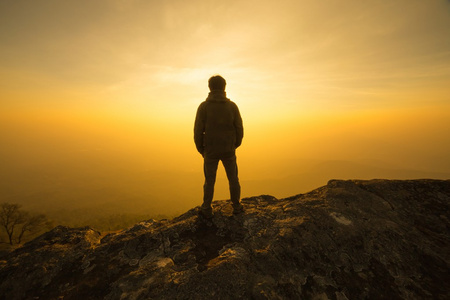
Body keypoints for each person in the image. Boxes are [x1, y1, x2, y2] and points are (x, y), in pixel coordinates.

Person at [194, 75, 244, 218]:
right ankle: (237, 206)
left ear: (210, 87)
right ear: (224, 87)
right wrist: (234, 145)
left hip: (210, 149)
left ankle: (206, 208)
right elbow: (239, 128)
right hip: (228, 149)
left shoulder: (204, 107)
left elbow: (198, 130)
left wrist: (201, 149)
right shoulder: (232, 106)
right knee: (233, 178)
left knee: (209, 180)